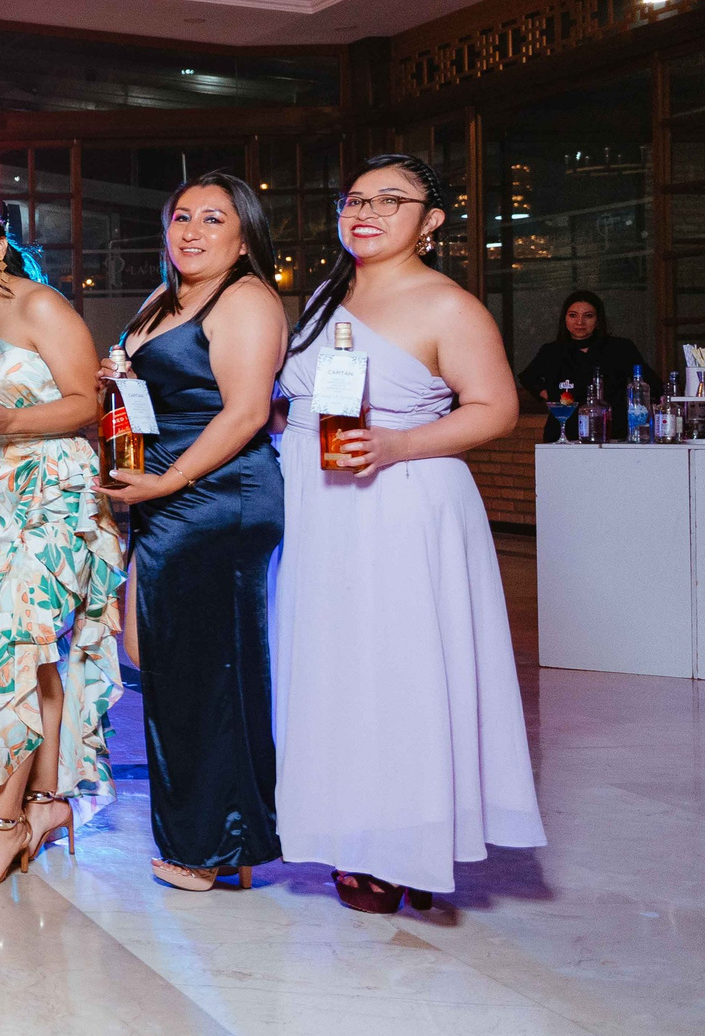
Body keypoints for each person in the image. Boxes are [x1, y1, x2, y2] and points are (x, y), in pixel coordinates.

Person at [272, 153, 546, 914]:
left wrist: (397, 444)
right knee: (335, 668)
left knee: (398, 669)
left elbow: (492, 407)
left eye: (391, 201)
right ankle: (344, 825)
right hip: (318, 502)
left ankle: (405, 840)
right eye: (355, 198)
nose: (365, 211)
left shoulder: (447, 305)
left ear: (431, 222)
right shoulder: (327, 294)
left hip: (399, 499)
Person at [0, 196, 125, 889]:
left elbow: (85, 402)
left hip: (55, 491)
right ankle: (48, 802)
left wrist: (10, 421)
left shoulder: (41, 305)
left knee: (13, 642)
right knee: (32, 652)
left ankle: (2, 820)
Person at [98, 174, 286, 894]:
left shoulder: (247, 297)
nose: (193, 230)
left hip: (218, 493)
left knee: (204, 669)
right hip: (166, 489)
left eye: (215, 218)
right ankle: (230, 834)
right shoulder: (166, 296)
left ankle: (207, 844)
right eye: (182, 215)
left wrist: (168, 482)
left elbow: (244, 413)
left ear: (244, 235)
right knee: (178, 660)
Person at [517, 290, 653, 440]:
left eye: (588, 316)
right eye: (573, 315)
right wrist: (551, 395)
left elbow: (650, 383)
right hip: (563, 433)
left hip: (611, 432)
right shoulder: (552, 350)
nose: (580, 322)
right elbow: (528, 377)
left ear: (598, 320)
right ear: (565, 318)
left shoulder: (620, 348)